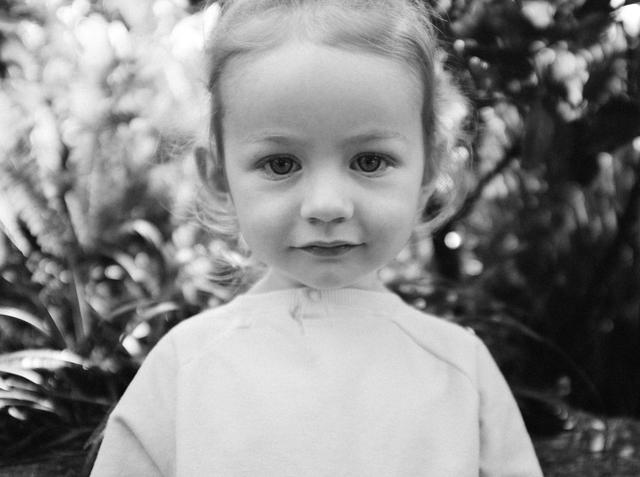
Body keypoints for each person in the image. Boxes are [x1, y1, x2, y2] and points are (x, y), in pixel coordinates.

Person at [91, 0, 543, 475]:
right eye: (280, 164)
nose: (326, 205)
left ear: (430, 167)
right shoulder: (184, 369)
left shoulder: (461, 370)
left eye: (369, 161)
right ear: (218, 175)